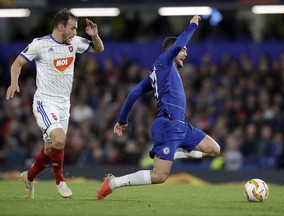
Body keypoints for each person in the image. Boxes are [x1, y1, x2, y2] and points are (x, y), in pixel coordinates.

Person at [97, 15, 220, 200]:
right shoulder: (163, 62)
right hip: (168, 125)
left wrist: (122, 120)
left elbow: (134, 93)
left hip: (181, 126)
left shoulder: (161, 74)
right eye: (183, 50)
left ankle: (177, 153)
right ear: (172, 51)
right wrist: (193, 25)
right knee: (159, 176)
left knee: (214, 149)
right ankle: (113, 183)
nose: (185, 54)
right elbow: (178, 45)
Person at [6, 8, 104, 199]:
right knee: (59, 139)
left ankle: (29, 176)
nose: (76, 32)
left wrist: (95, 36)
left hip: (63, 105)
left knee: (51, 150)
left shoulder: (74, 42)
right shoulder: (39, 45)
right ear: (61, 27)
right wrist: (14, 82)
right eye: (73, 28)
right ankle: (60, 180)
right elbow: (17, 63)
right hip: (45, 102)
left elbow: (98, 49)